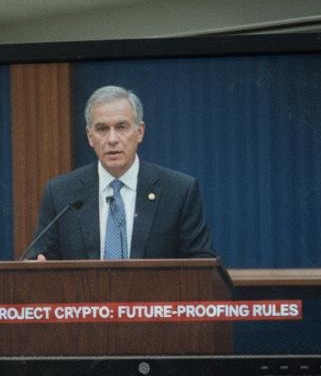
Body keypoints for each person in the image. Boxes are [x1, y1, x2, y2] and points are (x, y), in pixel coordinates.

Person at [30, 85, 214, 261]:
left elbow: (201, 264)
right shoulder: (61, 193)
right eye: (102, 129)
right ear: (89, 136)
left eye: (121, 127)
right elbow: (41, 258)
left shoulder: (178, 191)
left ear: (140, 132)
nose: (112, 139)